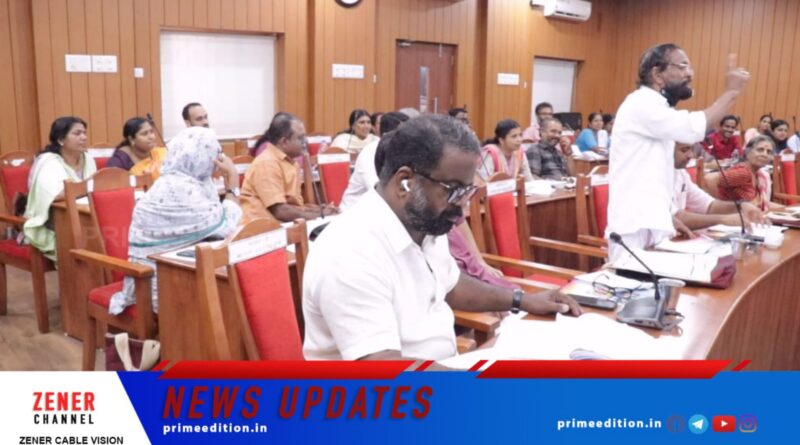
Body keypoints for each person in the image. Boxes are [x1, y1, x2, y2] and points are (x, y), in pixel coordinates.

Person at [302, 115, 581, 362]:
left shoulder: (423, 222)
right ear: (405, 182)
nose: (461, 207)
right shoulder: (350, 250)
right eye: (454, 190)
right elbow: (380, 363)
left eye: (467, 191)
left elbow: (451, 285)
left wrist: (522, 300)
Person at [606, 43, 750, 260]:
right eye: (682, 66)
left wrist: (668, 217)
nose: (690, 74)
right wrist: (731, 92)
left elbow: (650, 177)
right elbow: (694, 128)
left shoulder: (659, 107)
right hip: (633, 231)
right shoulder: (640, 103)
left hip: (654, 226)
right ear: (657, 74)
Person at [108, 127, 242, 315]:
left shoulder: (181, 181)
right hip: (159, 287)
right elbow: (227, 226)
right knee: (236, 296)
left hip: (178, 272)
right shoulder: (182, 189)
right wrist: (233, 182)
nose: (220, 159)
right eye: (217, 153)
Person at [239, 113, 338, 225]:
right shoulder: (267, 163)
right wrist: (320, 216)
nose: (305, 142)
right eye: (300, 138)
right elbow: (280, 211)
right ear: (284, 142)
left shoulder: (292, 163)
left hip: (283, 225)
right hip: (261, 230)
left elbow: (294, 207)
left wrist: (319, 210)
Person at [23, 117, 97, 261]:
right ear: (61, 139)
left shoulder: (88, 159)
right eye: (77, 133)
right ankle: (80, 266)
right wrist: (89, 188)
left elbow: (94, 187)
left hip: (82, 212)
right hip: (52, 218)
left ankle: (101, 266)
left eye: (84, 133)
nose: (84, 137)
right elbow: (56, 195)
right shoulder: (48, 161)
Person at [672, 143, 764, 230]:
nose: (691, 155)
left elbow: (708, 205)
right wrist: (722, 219)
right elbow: (673, 217)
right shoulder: (661, 176)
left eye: (691, 149)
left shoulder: (680, 173)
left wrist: (740, 206)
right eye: (684, 150)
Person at [340, 112, 409, 210]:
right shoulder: (370, 152)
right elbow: (378, 192)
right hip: (356, 212)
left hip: (382, 210)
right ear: (386, 135)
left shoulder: (403, 151)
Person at [717, 135, 785, 212]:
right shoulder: (742, 172)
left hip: (752, 216)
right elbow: (710, 180)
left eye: (769, 152)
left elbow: (762, 203)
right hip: (733, 217)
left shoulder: (759, 175)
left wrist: (789, 209)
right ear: (747, 152)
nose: (765, 154)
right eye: (760, 150)